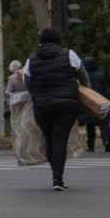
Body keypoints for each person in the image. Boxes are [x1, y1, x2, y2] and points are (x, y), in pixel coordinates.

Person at [24, 28, 89, 189]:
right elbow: (83, 76)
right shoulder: (69, 54)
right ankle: (57, 179)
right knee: (60, 139)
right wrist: (84, 93)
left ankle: (56, 176)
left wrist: (36, 96)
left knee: (49, 139)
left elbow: (27, 81)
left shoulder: (31, 59)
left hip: (42, 106)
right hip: (66, 105)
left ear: (41, 41)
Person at [78, 55, 110, 153]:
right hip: (102, 102)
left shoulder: (84, 76)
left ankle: (91, 146)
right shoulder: (101, 73)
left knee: (90, 126)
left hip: (90, 103)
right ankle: (106, 142)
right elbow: (107, 88)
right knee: (104, 125)